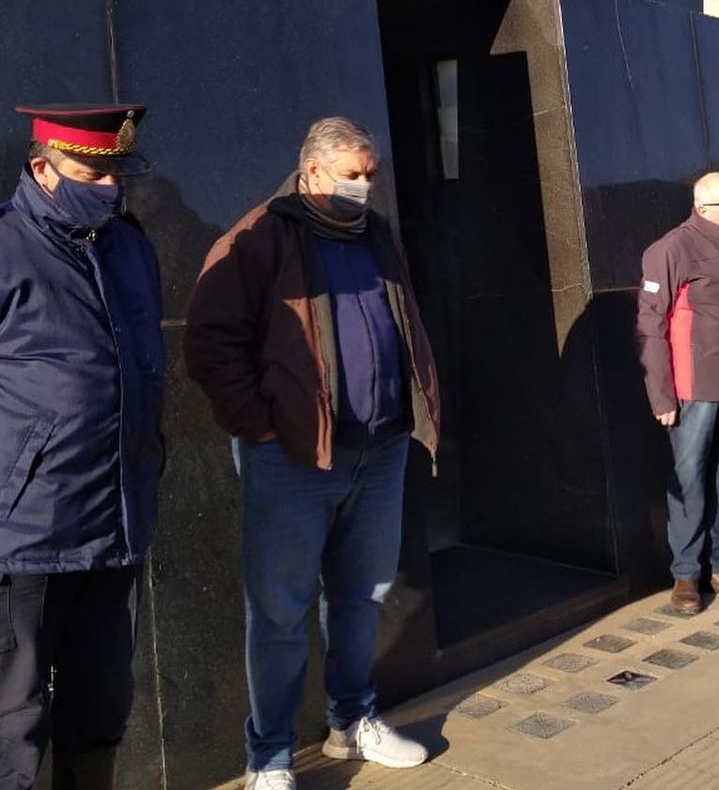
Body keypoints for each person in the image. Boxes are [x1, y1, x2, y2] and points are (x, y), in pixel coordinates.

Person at [183, 117, 440, 789]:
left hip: (378, 450)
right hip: (294, 459)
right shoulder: (262, 235)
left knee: (362, 596)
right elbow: (211, 341)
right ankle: (268, 757)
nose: (364, 187)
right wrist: (260, 427)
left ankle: (352, 722)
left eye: (371, 175)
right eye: (352, 175)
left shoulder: (375, 234)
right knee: (279, 612)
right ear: (314, 171)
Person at [0, 103, 164, 790]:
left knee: (101, 702)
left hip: (117, 516)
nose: (106, 187)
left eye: (114, 174)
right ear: (41, 167)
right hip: (27, 529)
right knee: (15, 714)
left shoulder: (128, 244)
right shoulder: (7, 247)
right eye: (87, 173)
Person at [636, 172, 719, 616]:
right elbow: (650, 326)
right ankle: (686, 575)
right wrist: (662, 395)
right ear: (705, 208)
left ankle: (718, 565)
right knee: (689, 481)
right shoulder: (673, 249)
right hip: (696, 388)